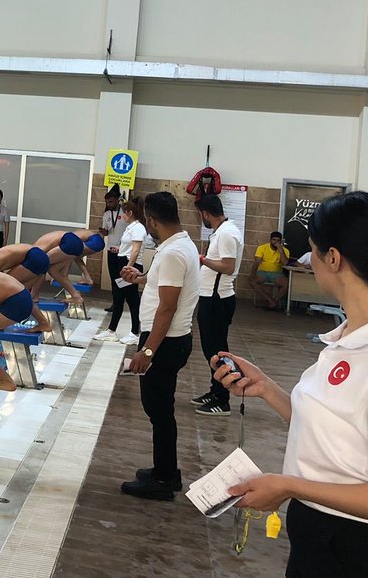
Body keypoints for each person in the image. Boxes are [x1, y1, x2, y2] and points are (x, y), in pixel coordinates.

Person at [213, 192, 368, 578]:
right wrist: (267, 388)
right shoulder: (352, 338)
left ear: (334, 258)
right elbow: (337, 437)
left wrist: (290, 486)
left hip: (367, 555)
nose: (310, 261)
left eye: (312, 252)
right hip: (320, 542)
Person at [117, 191, 201, 501]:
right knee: (161, 409)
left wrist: (148, 351)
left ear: (152, 220)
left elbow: (167, 307)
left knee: (159, 412)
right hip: (171, 339)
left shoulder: (171, 253)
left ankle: (164, 480)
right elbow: (165, 288)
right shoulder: (181, 245)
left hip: (164, 342)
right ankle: (165, 470)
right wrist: (141, 279)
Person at [191, 194, 244, 416]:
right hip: (211, 298)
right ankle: (215, 390)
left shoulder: (227, 233)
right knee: (211, 350)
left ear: (205, 213)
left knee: (216, 351)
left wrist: (202, 260)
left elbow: (228, 266)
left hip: (217, 299)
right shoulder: (222, 232)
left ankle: (222, 400)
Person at [95, 196, 146, 345]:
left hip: (131, 265)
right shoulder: (131, 227)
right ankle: (111, 331)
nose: (122, 216)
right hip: (122, 261)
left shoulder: (138, 228)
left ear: (130, 213)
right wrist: (119, 250)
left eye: (124, 213)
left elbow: (135, 251)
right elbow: (129, 247)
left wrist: (128, 267)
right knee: (118, 297)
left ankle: (135, 332)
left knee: (132, 300)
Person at [252, 231, 291, 310]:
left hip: (277, 274)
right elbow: (257, 262)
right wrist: (252, 274)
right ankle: (271, 301)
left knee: (287, 284)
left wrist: (280, 249)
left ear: (281, 241)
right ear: (270, 240)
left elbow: (285, 263)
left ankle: (273, 302)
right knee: (251, 281)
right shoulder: (262, 247)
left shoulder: (285, 250)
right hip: (262, 272)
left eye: (278, 240)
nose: (275, 242)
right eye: (274, 240)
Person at [100, 185, 125, 299]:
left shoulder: (125, 213)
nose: (108, 204)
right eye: (107, 202)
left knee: (122, 278)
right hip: (111, 250)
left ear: (117, 200)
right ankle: (115, 302)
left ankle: (122, 300)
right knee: (113, 278)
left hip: (123, 251)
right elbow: (106, 233)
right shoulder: (106, 215)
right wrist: (103, 232)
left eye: (111, 202)